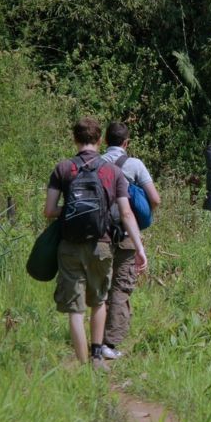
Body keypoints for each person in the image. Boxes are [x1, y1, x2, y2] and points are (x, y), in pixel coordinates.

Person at [43, 117, 147, 370]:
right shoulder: (112, 172)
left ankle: (81, 364)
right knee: (99, 301)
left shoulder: (63, 168)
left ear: (74, 139)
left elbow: (48, 211)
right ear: (100, 140)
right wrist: (140, 248)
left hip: (69, 245)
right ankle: (97, 356)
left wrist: (70, 209)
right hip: (101, 244)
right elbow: (125, 214)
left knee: (75, 309)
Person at [99, 121, 161, 360]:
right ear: (126, 143)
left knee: (100, 285)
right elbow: (155, 199)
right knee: (121, 286)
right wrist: (143, 215)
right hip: (125, 233)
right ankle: (110, 343)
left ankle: (95, 338)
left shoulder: (96, 162)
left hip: (99, 233)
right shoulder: (134, 164)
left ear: (105, 141)